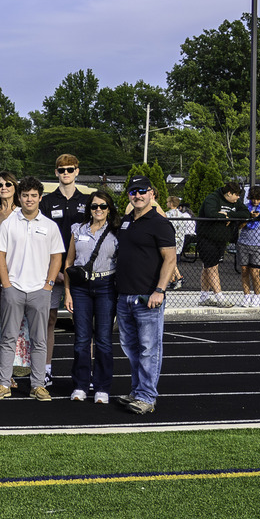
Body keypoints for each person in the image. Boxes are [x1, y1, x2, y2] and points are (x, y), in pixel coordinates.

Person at [0, 176, 64, 401]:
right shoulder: (8, 224)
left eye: (33, 196)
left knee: (39, 339)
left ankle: (38, 385)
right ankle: (4, 384)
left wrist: (48, 285)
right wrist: (6, 284)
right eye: (25, 195)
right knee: (8, 338)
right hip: (13, 289)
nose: (29, 199)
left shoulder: (50, 226)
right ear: (19, 197)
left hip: (40, 291)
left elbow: (56, 257)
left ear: (40, 198)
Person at [114, 175, 177, 414]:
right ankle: (137, 390)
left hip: (148, 297)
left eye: (142, 191)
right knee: (130, 347)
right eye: (133, 191)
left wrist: (159, 290)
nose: (137, 195)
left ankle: (148, 396)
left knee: (149, 348)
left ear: (152, 193)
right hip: (125, 296)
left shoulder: (159, 222)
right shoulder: (126, 221)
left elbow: (170, 259)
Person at [62, 189, 119, 404]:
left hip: (106, 286)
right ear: (89, 208)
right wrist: (67, 292)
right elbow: (69, 263)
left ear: (109, 209)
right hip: (80, 288)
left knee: (103, 340)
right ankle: (80, 385)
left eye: (103, 206)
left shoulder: (117, 231)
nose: (98, 210)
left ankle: (102, 386)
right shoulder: (78, 229)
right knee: (81, 340)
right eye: (94, 206)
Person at [39, 154, 87, 386]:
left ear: (77, 171)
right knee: (49, 320)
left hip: (80, 273)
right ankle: (45, 370)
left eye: (70, 169)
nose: (66, 173)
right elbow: (41, 240)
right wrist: (54, 271)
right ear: (55, 172)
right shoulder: (47, 202)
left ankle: (83, 372)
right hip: (53, 271)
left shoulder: (88, 201)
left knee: (83, 323)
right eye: (61, 170)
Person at [0, 171, 30, 388]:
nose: (4, 187)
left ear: (16, 187)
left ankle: (7, 372)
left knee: (11, 326)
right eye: (0, 184)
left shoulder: (22, 214)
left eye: (8, 184)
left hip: (15, 276)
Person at [197, 181, 251, 308]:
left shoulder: (235, 202)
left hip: (221, 240)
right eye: (236, 195)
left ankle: (204, 297)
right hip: (206, 238)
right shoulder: (212, 198)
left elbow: (245, 213)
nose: (238, 198)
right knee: (212, 267)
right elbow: (211, 214)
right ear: (229, 193)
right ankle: (219, 297)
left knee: (207, 267)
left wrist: (228, 215)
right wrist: (222, 217)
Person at [164, 196, 192, 290]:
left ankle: (179, 277)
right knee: (174, 259)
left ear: (171, 204)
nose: (167, 204)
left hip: (170, 240)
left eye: (168, 202)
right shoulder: (181, 215)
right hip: (180, 240)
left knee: (170, 260)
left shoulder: (167, 214)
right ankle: (172, 280)